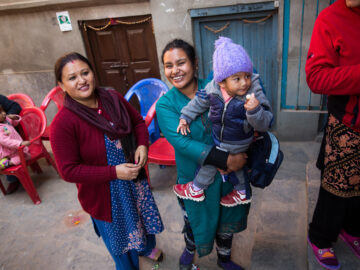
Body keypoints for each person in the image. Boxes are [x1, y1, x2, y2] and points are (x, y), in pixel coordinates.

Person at [50, 52, 164, 270]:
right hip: (106, 196)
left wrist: (142, 145)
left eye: (85, 73)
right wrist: (114, 172)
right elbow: (68, 171)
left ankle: (146, 248)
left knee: (143, 222)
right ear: (62, 85)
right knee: (121, 244)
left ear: (93, 73)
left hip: (134, 181)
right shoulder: (63, 123)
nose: (82, 80)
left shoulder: (112, 98)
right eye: (72, 77)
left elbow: (138, 122)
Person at [156, 39, 258, 270]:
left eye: (181, 62)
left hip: (228, 175)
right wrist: (226, 160)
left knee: (226, 219)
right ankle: (190, 249)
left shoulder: (219, 86)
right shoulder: (166, 104)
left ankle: (224, 258)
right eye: (169, 65)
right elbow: (182, 142)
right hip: (194, 178)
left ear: (195, 63)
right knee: (194, 222)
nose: (175, 70)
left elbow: (245, 110)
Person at [174, 37, 273, 207]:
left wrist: (255, 110)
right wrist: (185, 117)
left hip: (239, 139)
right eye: (237, 78)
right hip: (219, 137)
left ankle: (197, 188)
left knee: (211, 161)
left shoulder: (253, 89)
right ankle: (242, 191)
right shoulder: (212, 88)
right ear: (221, 81)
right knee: (236, 166)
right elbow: (199, 102)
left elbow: (265, 123)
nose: (244, 83)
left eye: (247, 76)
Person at [305, 0, 360, 269]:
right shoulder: (331, 18)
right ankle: (321, 238)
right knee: (337, 188)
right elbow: (316, 78)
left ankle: (351, 230)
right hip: (348, 125)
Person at [0, 95, 22, 194]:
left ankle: (13, 179)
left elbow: (16, 106)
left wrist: (5, 119)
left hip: (9, 136)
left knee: (13, 155)